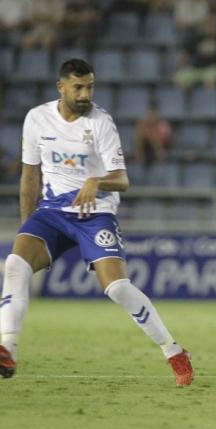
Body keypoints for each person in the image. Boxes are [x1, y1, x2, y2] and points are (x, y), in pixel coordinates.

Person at [0, 59, 194, 386]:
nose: (85, 93)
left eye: (90, 86)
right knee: (16, 265)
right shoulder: (36, 118)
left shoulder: (101, 122)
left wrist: (95, 182)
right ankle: (7, 348)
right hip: (51, 212)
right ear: (61, 87)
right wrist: (27, 226)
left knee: (117, 288)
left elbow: (121, 179)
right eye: (78, 87)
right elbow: (29, 175)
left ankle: (173, 351)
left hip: (95, 212)